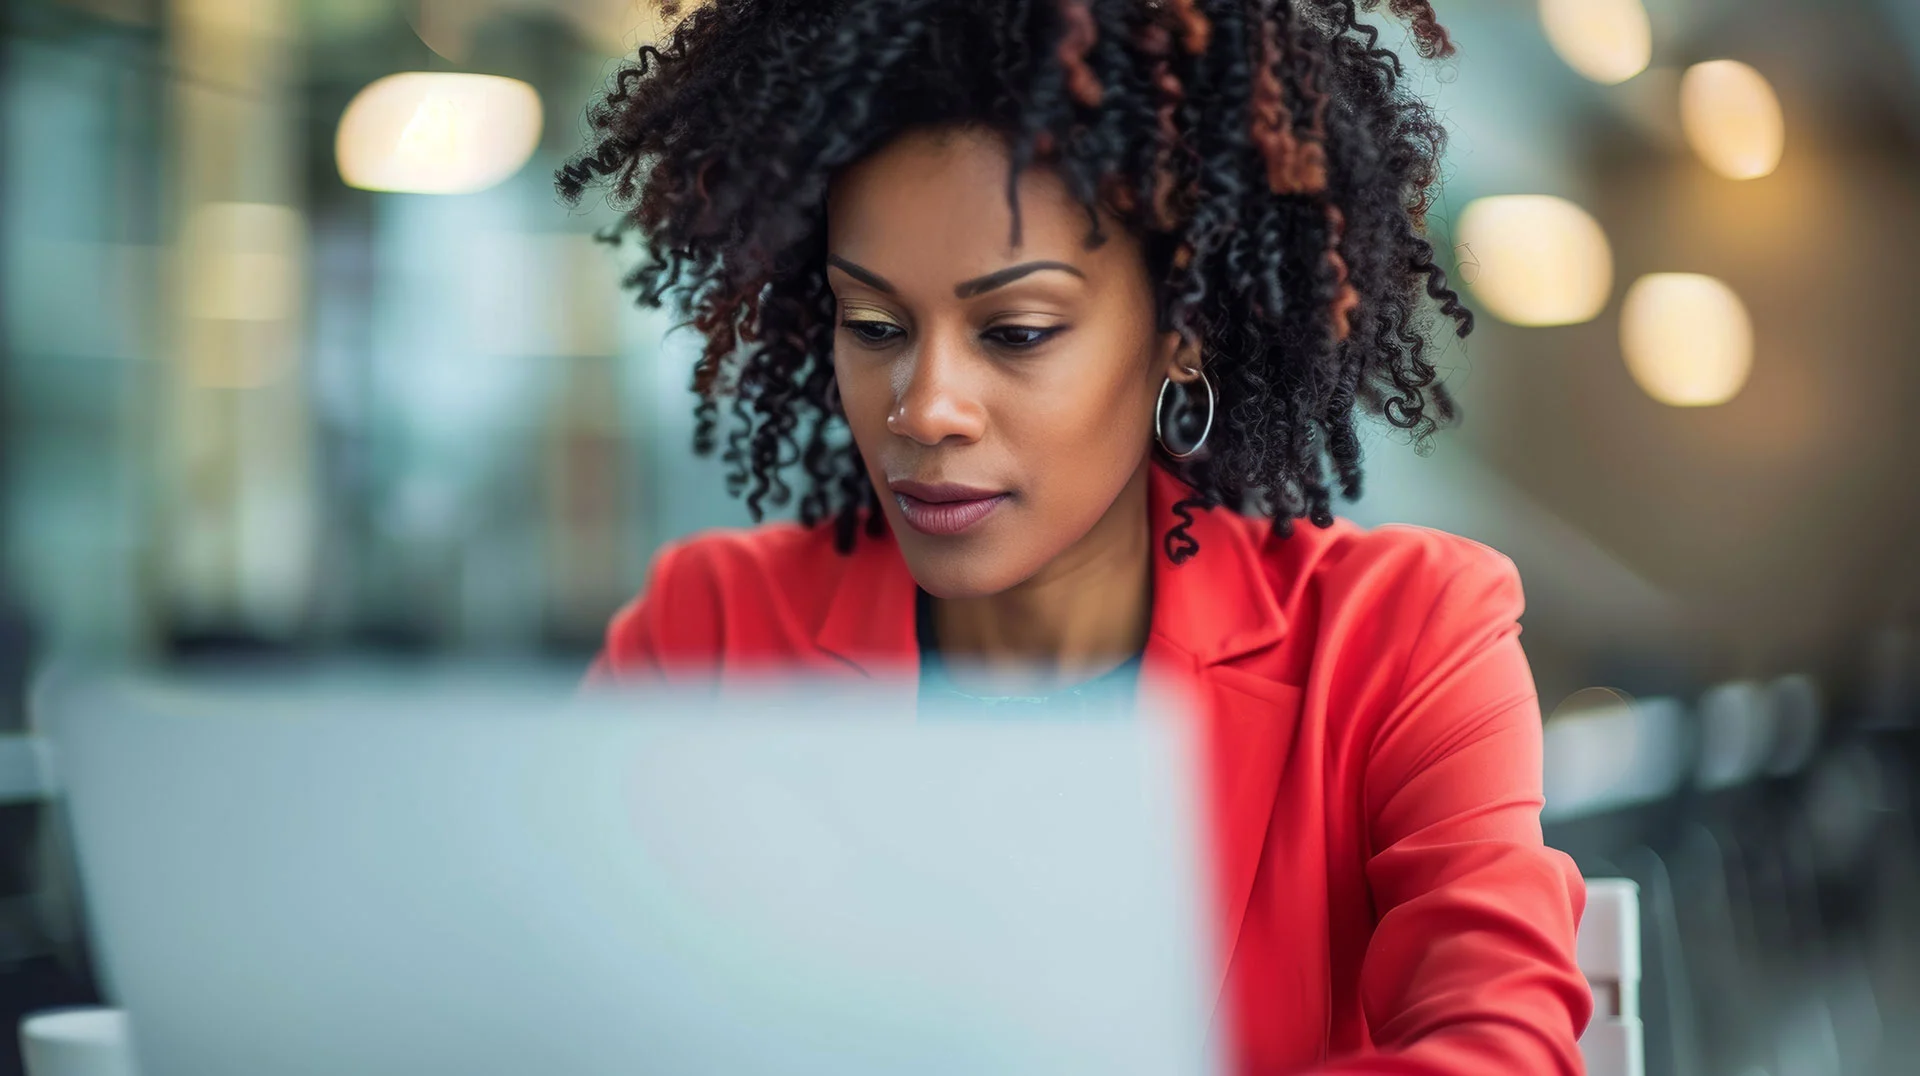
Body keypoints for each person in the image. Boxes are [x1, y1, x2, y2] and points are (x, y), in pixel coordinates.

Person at [561, 1, 1591, 1072]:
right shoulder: (713, 629)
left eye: (1016, 332)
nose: (924, 408)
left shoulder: (1401, 637)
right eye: (874, 326)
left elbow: (1499, 1047)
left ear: (1179, 328)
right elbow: (547, 1008)